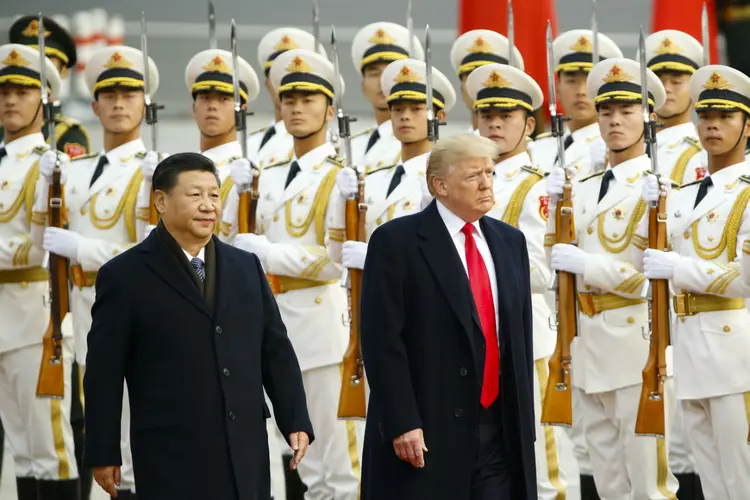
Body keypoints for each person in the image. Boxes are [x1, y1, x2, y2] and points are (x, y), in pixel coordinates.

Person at [83, 152, 313, 500]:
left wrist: (295, 418)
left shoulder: (245, 267)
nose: (208, 206)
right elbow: (104, 373)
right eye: (195, 195)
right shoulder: (124, 276)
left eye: (214, 195)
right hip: (170, 452)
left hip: (243, 446)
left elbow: (275, 350)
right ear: (160, 200)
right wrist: (102, 451)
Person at [360, 133, 537, 499]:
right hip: (428, 427)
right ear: (439, 185)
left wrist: (522, 423)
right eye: (474, 175)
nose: (487, 183)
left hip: (498, 429)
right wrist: (402, 421)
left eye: (490, 172)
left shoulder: (509, 241)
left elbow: (518, 336)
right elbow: (382, 342)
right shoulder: (397, 242)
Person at [29, 44, 161, 500]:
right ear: (95, 105)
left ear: (145, 103)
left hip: (135, 312)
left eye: (129, 94)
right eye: (109, 95)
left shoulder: (153, 171)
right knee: (99, 427)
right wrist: (43, 187)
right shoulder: (76, 170)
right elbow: (40, 238)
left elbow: (152, 254)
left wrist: (82, 247)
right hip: (81, 311)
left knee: (132, 430)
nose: (119, 104)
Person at [545, 57, 679, 499]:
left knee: (649, 482)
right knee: (606, 482)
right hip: (586, 349)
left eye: (627, 111)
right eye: (606, 112)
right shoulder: (580, 187)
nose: (615, 121)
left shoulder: (658, 188)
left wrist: (589, 266)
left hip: (634, 346)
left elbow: (651, 277)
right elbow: (555, 264)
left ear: (649, 116)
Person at [228, 48, 360, 499]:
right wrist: (234, 194)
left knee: (337, 468)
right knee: (302, 469)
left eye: (309, 98)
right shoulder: (268, 175)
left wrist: (269, 255)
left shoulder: (341, 176)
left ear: (329, 107)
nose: (298, 107)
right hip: (269, 325)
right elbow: (230, 241)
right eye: (289, 99)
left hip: (320, 330)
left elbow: (335, 260)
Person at [639, 64, 750, 499]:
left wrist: (679, 270)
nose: (713, 126)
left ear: (747, 125)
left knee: (742, 479)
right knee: (711, 483)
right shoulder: (683, 194)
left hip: (735, 355)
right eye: (706, 116)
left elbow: (747, 281)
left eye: (725, 117)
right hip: (689, 351)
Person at [466, 62, 570, 500]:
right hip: (473, 338)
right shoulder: (459, 181)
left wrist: (481, 269)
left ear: (529, 125)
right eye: (486, 115)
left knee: (543, 470)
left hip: (523, 338)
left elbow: (544, 270)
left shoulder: (537, 187)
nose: (494, 123)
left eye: (506, 116)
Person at [0, 43, 80, 499]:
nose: (10, 100)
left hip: (35, 320)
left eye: (23, 91)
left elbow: (36, 249)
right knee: (21, 451)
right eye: (4, 90)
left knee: (49, 448)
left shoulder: (47, 164)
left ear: (45, 98)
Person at [643, 29, 706, 499]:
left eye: (677, 76)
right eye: (659, 75)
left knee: (694, 439)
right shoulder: (631, 148)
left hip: (693, 303)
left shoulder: (705, 149)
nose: (667, 85)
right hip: (637, 308)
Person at [329, 57, 455, 271]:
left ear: (439, 117)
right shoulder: (373, 178)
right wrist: (340, 203)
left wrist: (375, 257)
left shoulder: (447, 180)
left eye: (416, 109)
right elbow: (337, 254)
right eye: (397, 109)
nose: (405, 117)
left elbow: (448, 260)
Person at [531, 29, 622, 181]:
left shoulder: (613, 147)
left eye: (588, 82)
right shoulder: (539, 146)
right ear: (557, 87)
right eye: (571, 81)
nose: (580, 91)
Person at [7, 15, 90, 157]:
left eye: (46, 61)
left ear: (63, 71)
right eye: (29, 60)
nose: (36, 68)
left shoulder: (67, 133)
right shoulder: (6, 123)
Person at [349, 22, 423, 171]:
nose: (382, 81)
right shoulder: (353, 144)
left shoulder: (418, 140)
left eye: (391, 72)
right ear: (363, 86)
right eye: (374, 73)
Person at [250, 28, 324, 169]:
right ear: (267, 83)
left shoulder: (329, 140)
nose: (288, 85)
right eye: (279, 77)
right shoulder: (252, 142)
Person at [645, 30, 707, 186]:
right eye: (659, 82)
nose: (666, 88)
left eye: (677, 81)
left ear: (695, 91)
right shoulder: (630, 144)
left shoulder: (702, 154)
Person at [449, 29, 524, 133]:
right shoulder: (453, 148)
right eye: (471, 77)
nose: (482, 86)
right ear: (461, 89)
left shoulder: (536, 149)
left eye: (491, 77)